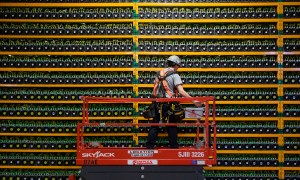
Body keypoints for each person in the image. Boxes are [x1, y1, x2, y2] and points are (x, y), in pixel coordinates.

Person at [146, 55, 201, 149]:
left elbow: (155, 89)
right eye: (178, 66)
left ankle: (149, 147)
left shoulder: (159, 73)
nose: (178, 68)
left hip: (157, 104)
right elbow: (181, 91)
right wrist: (194, 101)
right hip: (169, 104)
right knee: (172, 126)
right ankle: (174, 147)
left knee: (155, 125)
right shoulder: (175, 75)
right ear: (175, 65)